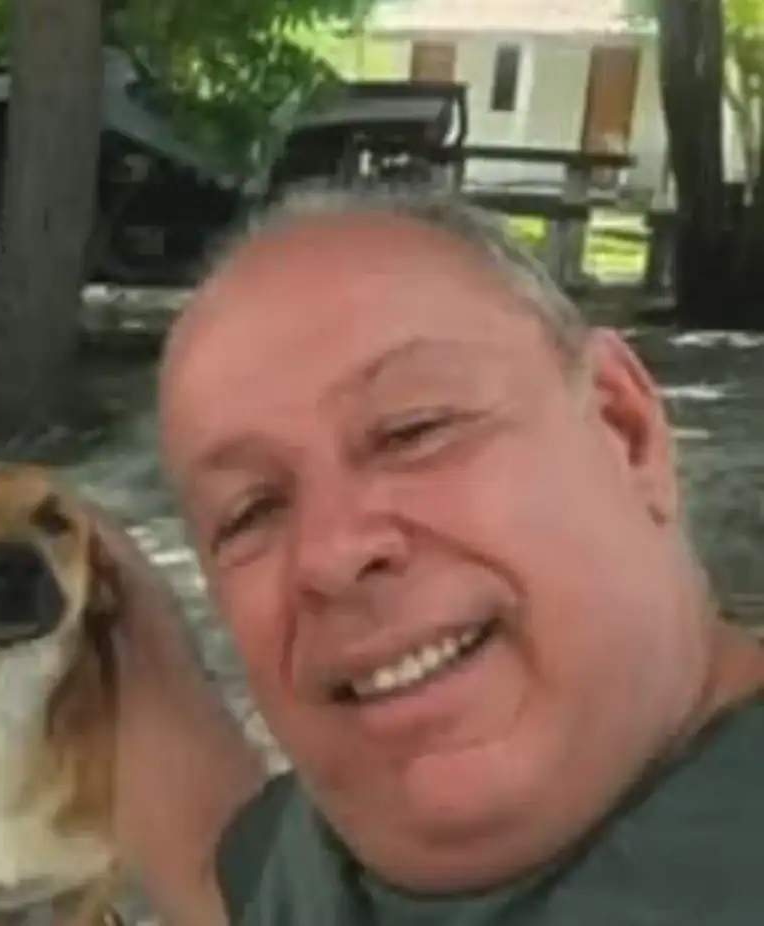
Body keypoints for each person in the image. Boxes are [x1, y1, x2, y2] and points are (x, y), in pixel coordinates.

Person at [100, 188, 764, 926]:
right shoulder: (316, 851)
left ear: (624, 429)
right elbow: (214, 875)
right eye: (250, 511)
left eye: (413, 430)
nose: (329, 553)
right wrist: (110, 602)